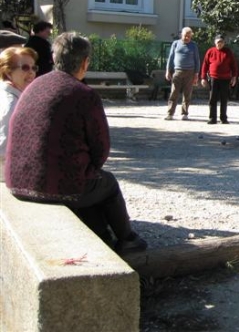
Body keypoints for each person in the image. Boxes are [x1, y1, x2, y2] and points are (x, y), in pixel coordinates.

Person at [4, 33, 147, 254]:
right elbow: (101, 148)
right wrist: (89, 169)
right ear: (85, 62)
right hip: (55, 187)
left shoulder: (33, 86)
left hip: (16, 182)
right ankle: (128, 239)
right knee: (106, 183)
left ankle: (101, 234)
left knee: (86, 180)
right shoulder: (83, 94)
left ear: (53, 58)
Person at [0, 47, 38, 174]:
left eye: (34, 68)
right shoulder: (12, 105)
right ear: (8, 71)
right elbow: (3, 151)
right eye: (25, 67)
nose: (31, 72)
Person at [201, 35, 238, 125]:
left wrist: (234, 77)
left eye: (221, 42)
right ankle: (212, 118)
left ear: (224, 43)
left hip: (225, 79)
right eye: (218, 42)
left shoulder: (228, 52)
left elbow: (234, 65)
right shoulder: (210, 51)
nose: (220, 44)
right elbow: (205, 65)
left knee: (224, 99)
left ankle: (223, 118)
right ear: (215, 43)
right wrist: (203, 78)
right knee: (212, 99)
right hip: (213, 78)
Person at [165, 27, 200, 121]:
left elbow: (197, 60)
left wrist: (196, 74)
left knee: (187, 93)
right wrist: (168, 70)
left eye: (189, 36)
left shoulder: (194, 45)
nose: (187, 38)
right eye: (185, 36)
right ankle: (170, 113)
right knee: (174, 92)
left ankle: (184, 113)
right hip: (177, 71)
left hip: (190, 72)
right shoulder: (176, 43)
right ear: (181, 35)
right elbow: (171, 57)